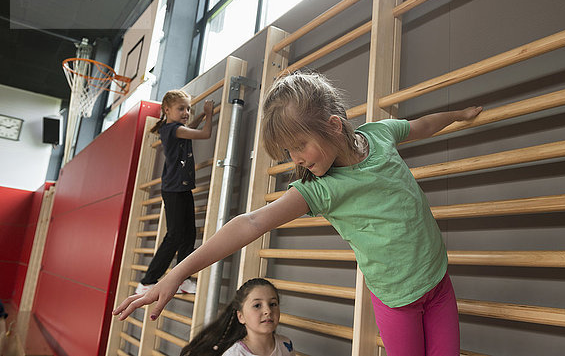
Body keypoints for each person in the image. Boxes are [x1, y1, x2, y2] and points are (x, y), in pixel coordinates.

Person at [114, 72, 482, 356]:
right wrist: (176, 274)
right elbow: (250, 223)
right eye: (289, 152)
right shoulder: (319, 189)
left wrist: (459, 114)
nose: (297, 159)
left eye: (299, 146)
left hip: (439, 283)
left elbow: (422, 125)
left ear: (334, 126)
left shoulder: (381, 135)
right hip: (397, 301)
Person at [135, 89, 215, 295]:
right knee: (175, 235)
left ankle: (181, 279)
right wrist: (210, 113)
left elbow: (190, 129)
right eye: (181, 109)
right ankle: (147, 281)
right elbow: (204, 134)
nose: (186, 112)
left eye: (188, 108)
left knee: (189, 234)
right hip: (174, 190)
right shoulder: (173, 129)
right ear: (167, 110)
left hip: (181, 187)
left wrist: (199, 116)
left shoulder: (176, 129)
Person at [180, 278, 294, 356]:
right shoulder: (235, 354)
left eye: (273, 304)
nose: (268, 311)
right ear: (241, 317)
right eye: (257, 305)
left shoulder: (285, 344)